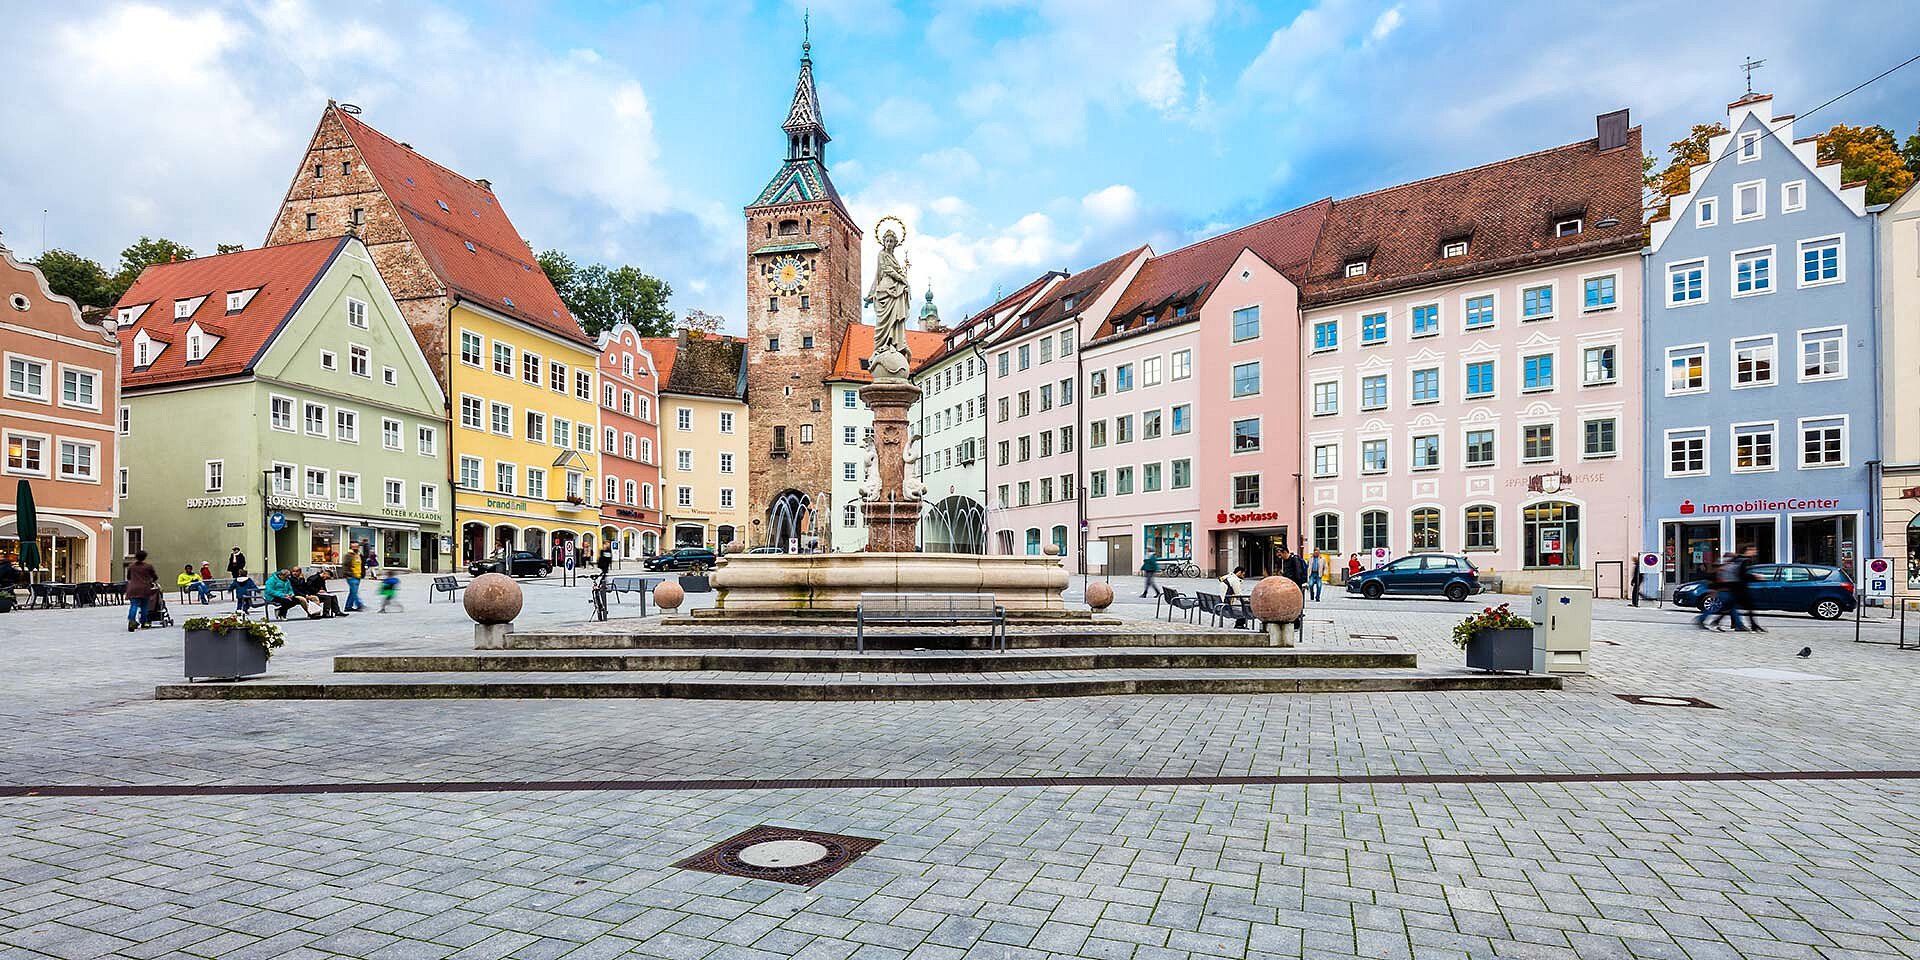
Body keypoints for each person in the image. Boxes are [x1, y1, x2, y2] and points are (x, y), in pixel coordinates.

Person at [1699, 554, 1745, 631]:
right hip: (1723, 591)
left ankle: (1738, 624)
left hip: (1725, 591)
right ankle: (1703, 619)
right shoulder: (1724, 569)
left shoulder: (1723, 568)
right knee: (1721, 607)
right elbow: (1719, 581)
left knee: (1730, 608)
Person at [125, 550, 158, 632]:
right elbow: (155, 577)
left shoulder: (131, 566)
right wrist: (150, 580)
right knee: (144, 606)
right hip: (144, 588)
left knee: (134, 605)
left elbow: (128, 577)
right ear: (145, 557)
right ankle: (144, 622)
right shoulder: (148, 566)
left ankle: (131, 621)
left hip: (133, 588)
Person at [1734, 545, 1765, 632]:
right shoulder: (1745, 560)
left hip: (1737, 587)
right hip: (1740, 588)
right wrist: (1755, 577)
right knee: (1749, 606)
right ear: (1748, 550)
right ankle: (1753, 625)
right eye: (1753, 550)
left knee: (1731, 606)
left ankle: (1752, 625)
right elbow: (1742, 575)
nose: (1755, 552)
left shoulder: (1738, 559)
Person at [1220, 564, 1249, 628]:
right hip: (1228, 604)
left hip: (1222, 603)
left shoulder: (1227, 577)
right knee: (1245, 608)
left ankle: (1239, 624)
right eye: (1243, 574)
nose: (1244, 576)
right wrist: (1247, 600)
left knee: (1242, 606)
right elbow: (1238, 595)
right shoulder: (1234, 580)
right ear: (1239, 572)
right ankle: (1239, 624)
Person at [343, 546, 365, 613]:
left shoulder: (359, 555)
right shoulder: (348, 555)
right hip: (351, 577)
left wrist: (362, 574)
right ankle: (359, 604)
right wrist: (348, 574)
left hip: (358, 576)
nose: (356, 547)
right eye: (354, 545)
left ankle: (348, 607)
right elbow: (345, 566)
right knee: (354, 592)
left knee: (352, 592)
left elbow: (361, 565)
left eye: (357, 546)